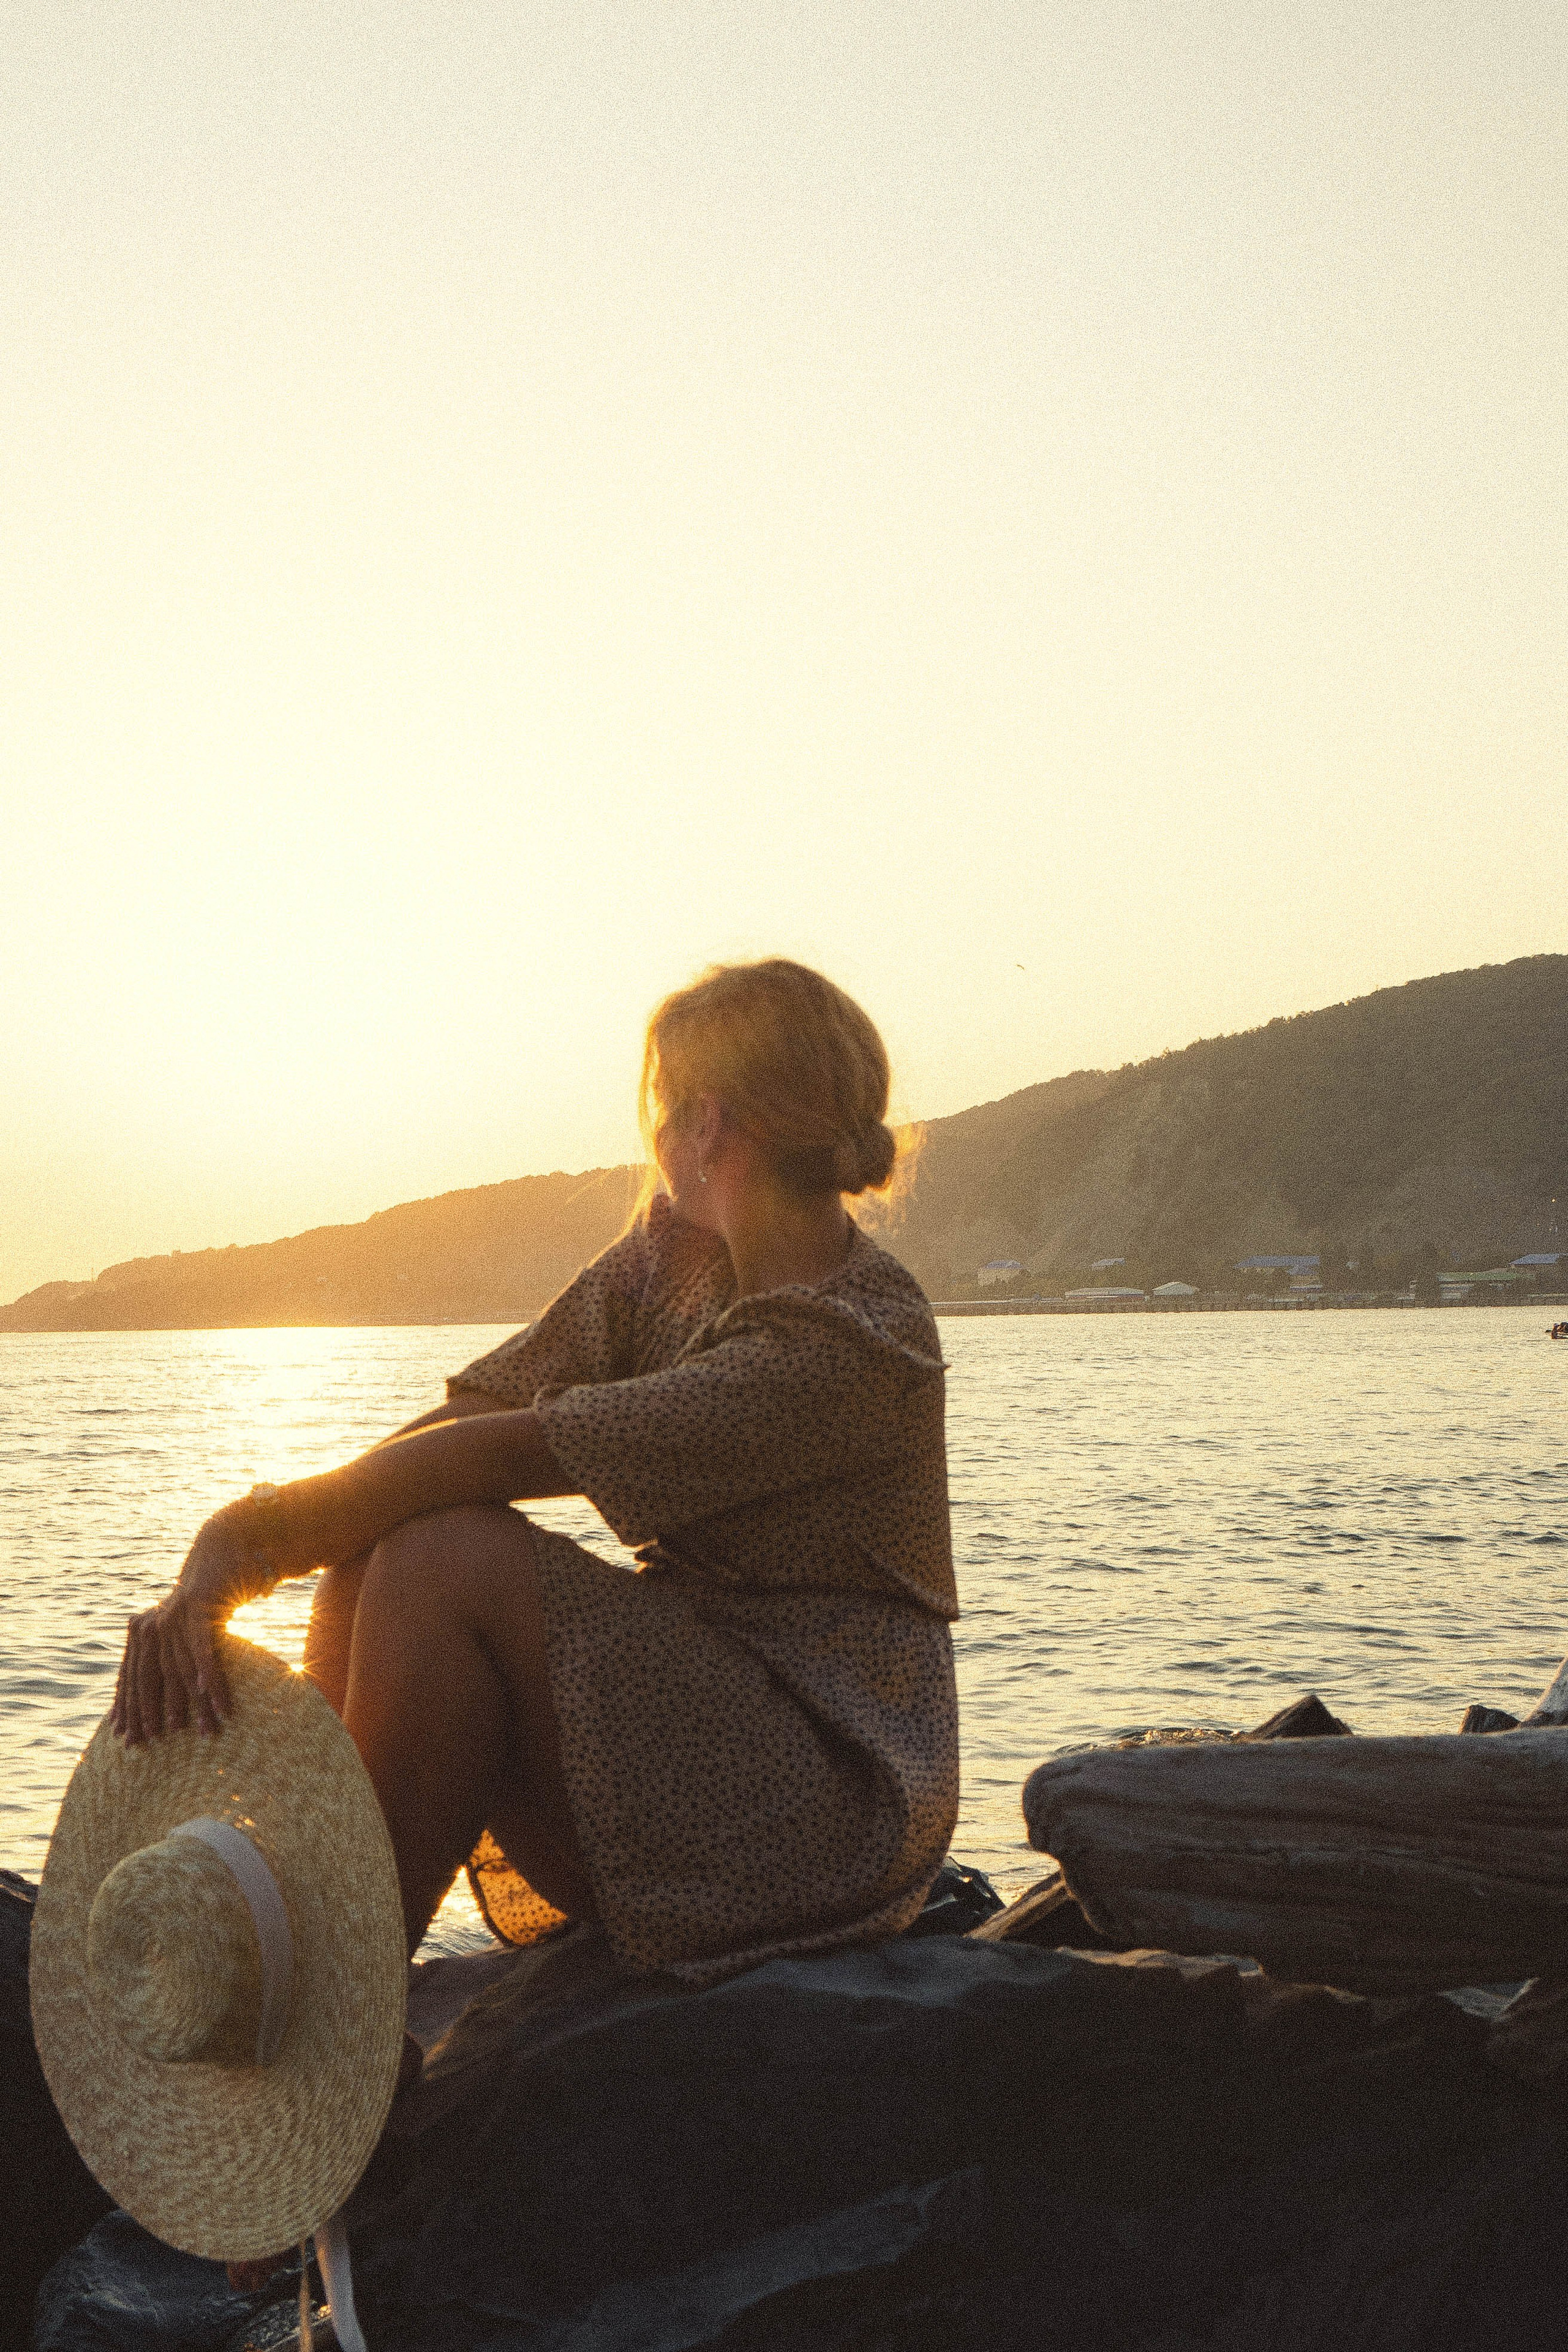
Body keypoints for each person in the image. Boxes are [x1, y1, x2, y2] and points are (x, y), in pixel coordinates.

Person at [112, 959, 959, 1981]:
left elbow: (494, 1456)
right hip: (704, 1724)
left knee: (442, 1561)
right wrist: (276, 1550)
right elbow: (480, 1410)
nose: (654, 1138)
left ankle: (340, 1988)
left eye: (664, 1107)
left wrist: (239, 1544)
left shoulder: (849, 1341)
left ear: (708, 1124)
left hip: (833, 1801)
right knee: (378, 1551)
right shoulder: (674, 1257)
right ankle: (305, 1924)